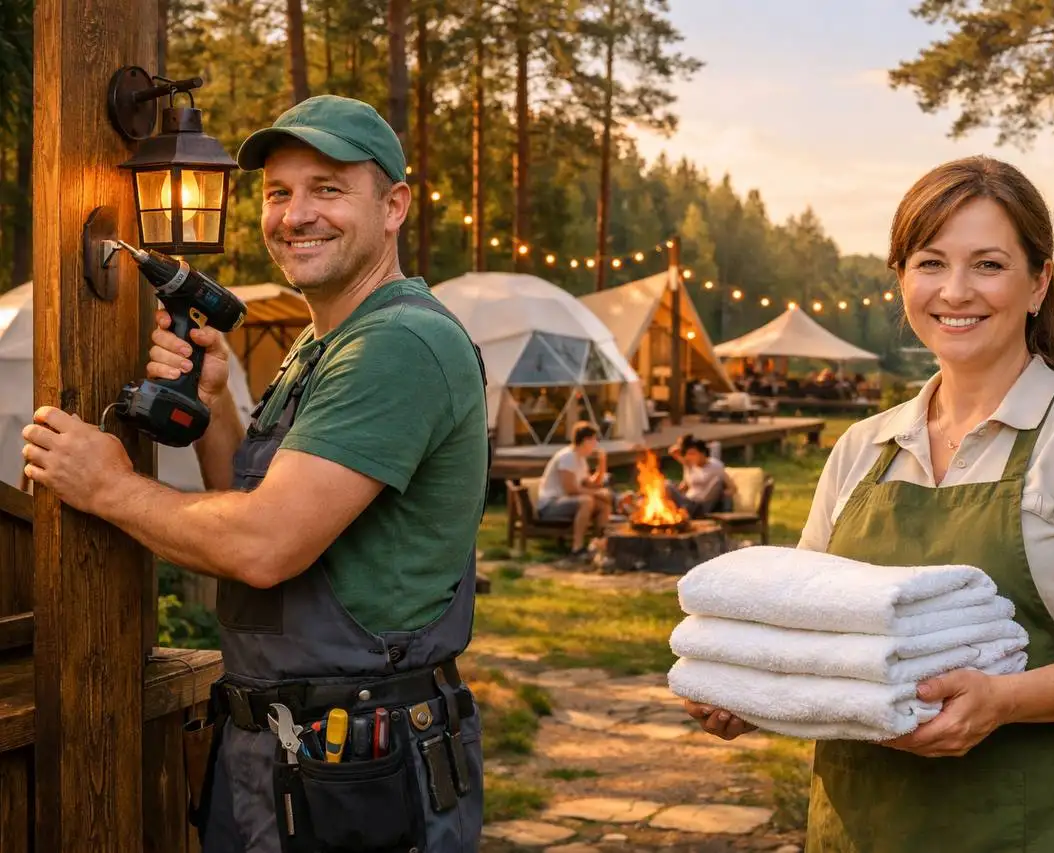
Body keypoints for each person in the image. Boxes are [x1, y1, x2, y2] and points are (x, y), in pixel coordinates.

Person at [21, 95, 490, 852]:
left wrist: (105, 485)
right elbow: (252, 508)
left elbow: (266, 545)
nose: (296, 214)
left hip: (359, 772)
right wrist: (219, 411)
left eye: (328, 188)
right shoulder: (324, 344)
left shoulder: (399, 343)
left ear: (394, 205)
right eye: (279, 192)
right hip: (284, 755)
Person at [683, 156, 1054, 853]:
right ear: (902, 278)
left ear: (1038, 282)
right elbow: (800, 625)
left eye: (988, 264)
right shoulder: (864, 447)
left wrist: (1002, 700)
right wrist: (747, 683)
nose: (956, 291)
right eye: (930, 262)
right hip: (867, 826)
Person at [536, 421, 612, 558]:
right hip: (550, 505)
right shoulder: (568, 457)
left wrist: (602, 463)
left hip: (566, 501)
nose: (595, 444)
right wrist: (597, 494)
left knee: (603, 504)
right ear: (585, 441)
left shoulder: (580, 459)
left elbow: (593, 484)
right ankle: (577, 547)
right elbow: (570, 489)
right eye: (594, 440)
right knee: (587, 501)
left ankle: (599, 543)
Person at [666, 437, 733, 518]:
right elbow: (672, 451)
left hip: (700, 506)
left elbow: (732, 487)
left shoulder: (715, 466)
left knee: (667, 485)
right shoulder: (690, 465)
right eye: (688, 454)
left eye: (693, 453)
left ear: (703, 453)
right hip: (687, 502)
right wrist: (683, 445)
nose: (689, 457)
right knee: (665, 485)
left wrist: (724, 497)